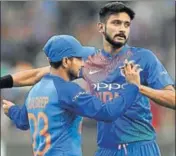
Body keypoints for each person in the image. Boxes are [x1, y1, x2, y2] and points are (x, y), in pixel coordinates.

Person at [1, 2, 175, 156]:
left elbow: (172, 99)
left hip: (140, 145)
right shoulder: (89, 60)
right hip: (106, 148)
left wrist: (139, 87)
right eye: (116, 23)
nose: (122, 29)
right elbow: (38, 74)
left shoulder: (144, 58)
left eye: (126, 24)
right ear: (100, 27)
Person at [2, 35, 141, 156]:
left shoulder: (35, 89)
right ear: (66, 61)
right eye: (78, 58)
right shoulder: (67, 90)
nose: (82, 63)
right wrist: (132, 87)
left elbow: (23, 121)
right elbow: (107, 112)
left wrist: (12, 110)